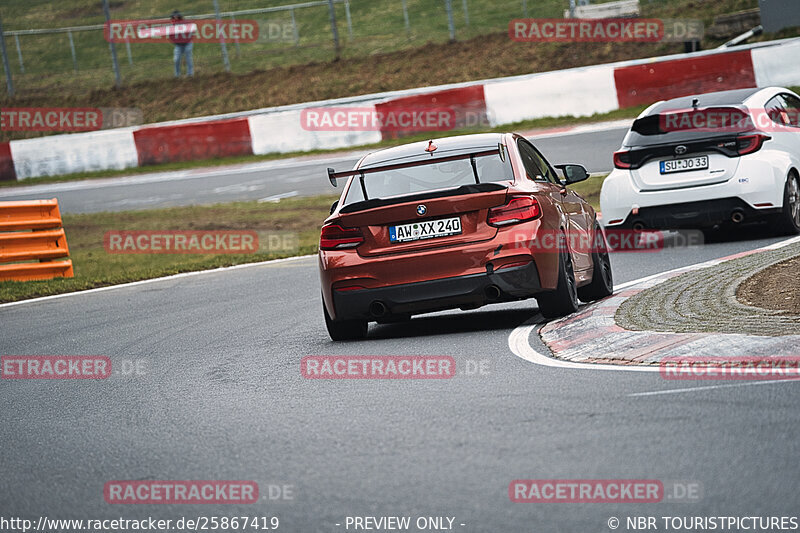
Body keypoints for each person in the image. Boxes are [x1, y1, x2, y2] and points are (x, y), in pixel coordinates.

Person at [169, 10, 194, 77]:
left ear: (179, 16)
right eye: (174, 16)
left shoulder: (186, 22)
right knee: (176, 59)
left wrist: (188, 39)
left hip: (188, 43)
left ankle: (190, 74)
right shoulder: (172, 26)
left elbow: (192, 31)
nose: (175, 18)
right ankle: (177, 75)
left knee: (188, 58)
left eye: (177, 16)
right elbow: (171, 36)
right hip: (178, 45)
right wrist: (176, 42)